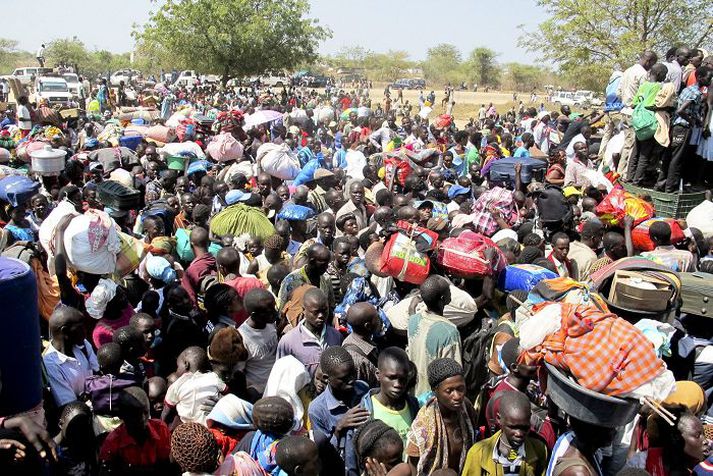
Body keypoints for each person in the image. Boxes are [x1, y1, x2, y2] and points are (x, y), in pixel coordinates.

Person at [407, 358, 478, 475]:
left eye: (460, 388)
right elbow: (414, 469)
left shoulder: (466, 408)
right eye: (449, 391)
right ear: (435, 390)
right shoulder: (422, 427)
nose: (457, 396)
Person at [309, 346, 370, 476]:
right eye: (344, 378)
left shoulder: (362, 388)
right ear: (326, 378)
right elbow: (323, 454)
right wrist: (339, 428)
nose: (352, 380)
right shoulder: (317, 409)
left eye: (353, 373)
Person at [463, 391, 548, 476]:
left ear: (530, 418)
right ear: (499, 419)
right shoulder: (478, 453)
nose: (519, 433)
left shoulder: (539, 450)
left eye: (524, 427)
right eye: (512, 427)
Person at [657, 65, 713, 192]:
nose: (710, 81)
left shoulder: (688, 89)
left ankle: (661, 184)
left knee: (669, 156)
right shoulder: (696, 93)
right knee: (677, 159)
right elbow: (681, 110)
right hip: (683, 128)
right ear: (699, 77)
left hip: (677, 126)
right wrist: (692, 121)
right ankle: (671, 188)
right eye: (708, 78)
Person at [407, 275, 462, 396]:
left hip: (413, 392)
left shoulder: (413, 321)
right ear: (443, 298)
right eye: (449, 291)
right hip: (432, 398)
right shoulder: (449, 332)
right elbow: (453, 373)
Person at [99, 387, 172, 474]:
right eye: (135, 414)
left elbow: (167, 466)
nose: (143, 418)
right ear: (121, 415)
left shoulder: (161, 429)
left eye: (145, 412)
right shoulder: (113, 443)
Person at [361, 347, 420, 450]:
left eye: (402, 379)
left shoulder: (413, 406)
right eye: (392, 378)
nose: (397, 384)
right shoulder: (365, 412)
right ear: (378, 375)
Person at [276, 287, 342, 376]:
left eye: (325, 310)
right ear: (303, 310)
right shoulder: (288, 342)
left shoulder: (336, 336)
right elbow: (281, 375)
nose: (321, 316)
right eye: (315, 312)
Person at [43, 307, 100, 408]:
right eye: (81, 327)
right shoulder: (51, 364)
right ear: (65, 331)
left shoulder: (83, 345)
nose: (85, 331)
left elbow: (97, 372)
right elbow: (69, 404)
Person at [616, 50, 658, 179]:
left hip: (624, 110)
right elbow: (643, 95)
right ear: (648, 61)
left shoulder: (627, 71)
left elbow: (618, 92)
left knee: (627, 142)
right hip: (635, 113)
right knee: (632, 145)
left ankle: (620, 171)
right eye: (652, 64)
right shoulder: (643, 74)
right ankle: (624, 174)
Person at [238, 288, 278, 401]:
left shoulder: (269, 323)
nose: (275, 312)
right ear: (255, 315)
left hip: (278, 383)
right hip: (261, 393)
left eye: (274, 307)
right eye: (270, 311)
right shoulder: (242, 339)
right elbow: (239, 374)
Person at [277, 243, 335, 312]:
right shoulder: (291, 280)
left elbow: (331, 305)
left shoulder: (326, 278)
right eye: (323, 264)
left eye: (327, 264)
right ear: (312, 261)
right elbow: (281, 307)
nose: (326, 267)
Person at [343, 302, 382, 388]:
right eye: (377, 318)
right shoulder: (356, 359)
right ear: (368, 326)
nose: (380, 319)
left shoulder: (366, 342)